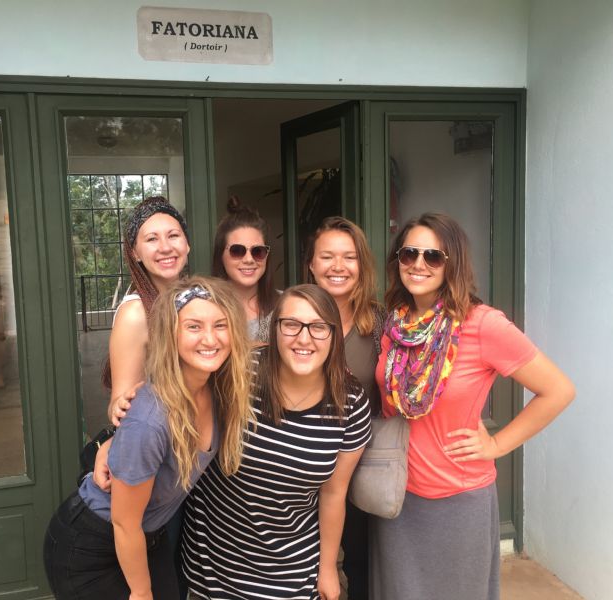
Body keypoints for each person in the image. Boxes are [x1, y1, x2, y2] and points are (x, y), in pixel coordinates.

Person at [371, 213, 575, 600]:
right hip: (395, 494)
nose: (418, 264)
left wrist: (497, 445)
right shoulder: (395, 325)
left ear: (454, 263)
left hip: (457, 499)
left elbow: (558, 390)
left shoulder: (482, 324)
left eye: (433, 256)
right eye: (409, 253)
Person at [44, 277, 253, 600]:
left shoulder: (216, 388)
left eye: (221, 325)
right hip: (91, 546)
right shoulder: (151, 419)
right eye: (194, 327)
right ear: (171, 334)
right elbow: (124, 523)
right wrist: (141, 593)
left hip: (145, 536)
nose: (210, 338)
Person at [182, 284, 372, 600]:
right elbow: (175, 397)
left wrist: (327, 568)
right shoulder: (238, 373)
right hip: (215, 570)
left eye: (319, 327)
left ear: (334, 335)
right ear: (275, 330)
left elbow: (333, 492)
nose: (304, 338)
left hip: (293, 573)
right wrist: (116, 440)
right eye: (292, 324)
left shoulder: (350, 402)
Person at [304, 216, 386, 599]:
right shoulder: (292, 318)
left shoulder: (380, 323)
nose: (338, 266)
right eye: (327, 256)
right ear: (311, 264)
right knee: (308, 569)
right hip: (302, 467)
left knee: (361, 565)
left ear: (361, 264)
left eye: (349, 257)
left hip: (360, 466)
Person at [105, 195, 190, 427]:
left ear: (187, 244)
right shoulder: (135, 313)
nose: (165, 247)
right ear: (135, 253)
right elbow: (119, 403)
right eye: (152, 239)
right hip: (164, 438)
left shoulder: (195, 299)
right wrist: (120, 405)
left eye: (173, 235)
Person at [211, 196, 276, 342]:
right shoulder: (203, 307)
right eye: (237, 250)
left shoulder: (286, 305)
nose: (248, 259)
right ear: (220, 255)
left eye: (258, 251)